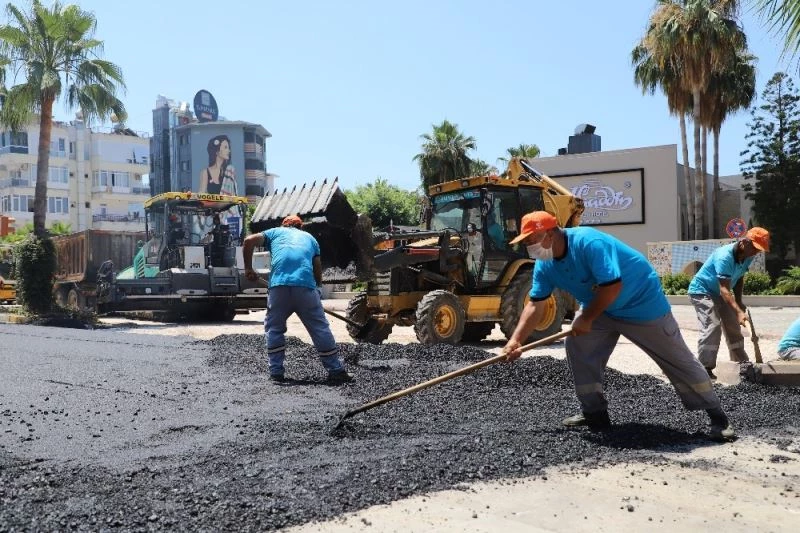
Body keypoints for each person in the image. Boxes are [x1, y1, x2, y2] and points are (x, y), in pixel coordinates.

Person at [502, 211, 734, 442]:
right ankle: (594, 414)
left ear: (551, 233)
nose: (530, 245)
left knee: (677, 358)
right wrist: (516, 340)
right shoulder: (545, 264)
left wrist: (587, 318)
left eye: (532, 239)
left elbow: (612, 286)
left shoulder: (588, 243)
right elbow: (535, 304)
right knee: (579, 346)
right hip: (600, 307)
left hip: (641, 305)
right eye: (527, 241)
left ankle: (717, 417)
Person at [243, 214, 352, 384]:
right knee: (320, 328)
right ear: (301, 227)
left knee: (274, 329)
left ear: (284, 225)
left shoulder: (275, 233)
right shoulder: (310, 238)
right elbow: (317, 270)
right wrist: (316, 290)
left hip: (279, 288)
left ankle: (276, 373)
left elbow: (248, 240)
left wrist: (248, 268)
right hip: (305, 288)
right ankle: (336, 370)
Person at [687, 227, 771, 378]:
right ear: (744, 242)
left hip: (719, 292)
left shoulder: (748, 255)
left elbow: (738, 278)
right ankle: (704, 369)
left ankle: (741, 364)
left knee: (733, 326)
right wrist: (738, 311)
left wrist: (739, 301)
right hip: (702, 291)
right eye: (755, 248)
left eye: (759, 250)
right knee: (713, 326)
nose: (756, 252)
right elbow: (724, 290)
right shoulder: (724, 257)